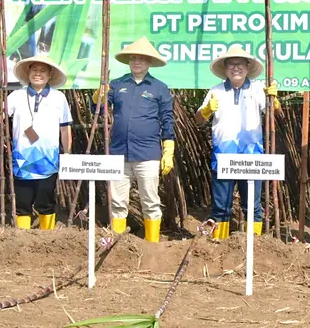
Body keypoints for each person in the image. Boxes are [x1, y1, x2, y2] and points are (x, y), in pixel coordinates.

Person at [93, 37, 174, 243]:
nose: (137, 62)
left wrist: (168, 149)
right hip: (119, 152)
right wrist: (98, 97)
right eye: (133, 58)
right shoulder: (117, 84)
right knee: (118, 201)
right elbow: (99, 112)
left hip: (148, 154)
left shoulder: (159, 88)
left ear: (149, 63)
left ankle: (152, 245)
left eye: (142, 59)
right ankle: (118, 244)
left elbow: (167, 119)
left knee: (150, 201)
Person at [195, 46, 282, 240]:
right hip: (223, 158)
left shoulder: (259, 88)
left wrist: (274, 101)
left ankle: (254, 244)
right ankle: (220, 245)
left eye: (240, 64)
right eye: (232, 64)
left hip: (252, 158)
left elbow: (276, 115)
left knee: (252, 205)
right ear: (225, 68)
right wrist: (207, 110)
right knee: (220, 207)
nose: (236, 68)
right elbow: (198, 120)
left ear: (248, 66)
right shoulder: (215, 90)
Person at [0, 55, 72, 230]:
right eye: (34, 69)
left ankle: (47, 238)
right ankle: (23, 242)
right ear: (28, 73)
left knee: (47, 202)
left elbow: (65, 128)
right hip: (22, 160)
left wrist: (68, 153)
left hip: (48, 161)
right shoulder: (16, 96)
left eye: (43, 70)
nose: (38, 74)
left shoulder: (59, 98)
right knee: (22, 204)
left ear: (50, 75)